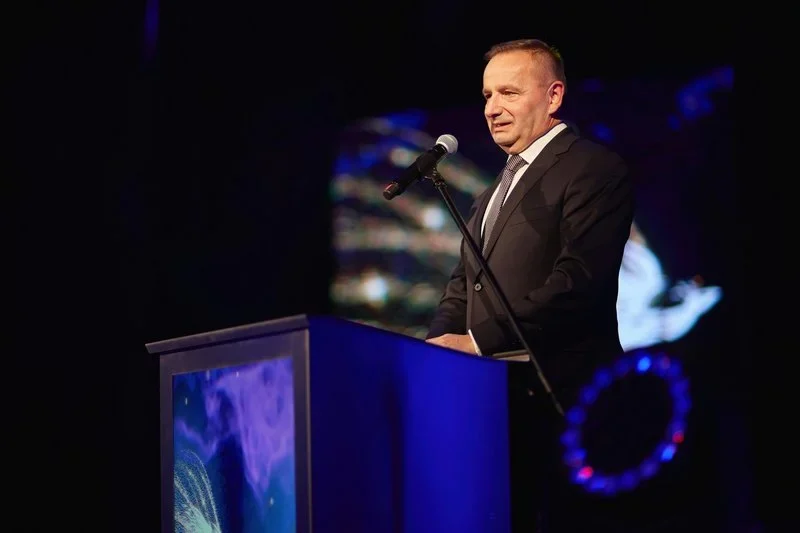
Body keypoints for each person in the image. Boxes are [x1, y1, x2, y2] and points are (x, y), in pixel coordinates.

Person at [425, 39, 635, 531]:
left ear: (553, 95)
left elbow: (578, 282)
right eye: (487, 95)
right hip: (493, 408)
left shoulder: (592, 168)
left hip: (562, 401)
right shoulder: (489, 196)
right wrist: (434, 351)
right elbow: (463, 286)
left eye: (509, 93)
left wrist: (478, 341)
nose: (491, 109)